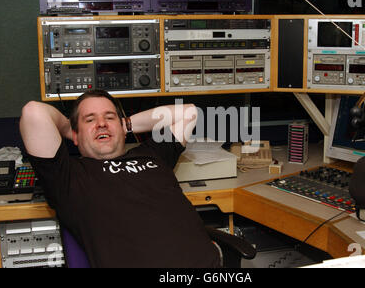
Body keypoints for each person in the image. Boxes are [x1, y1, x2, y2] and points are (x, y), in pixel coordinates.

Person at [19, 89, 220, 267]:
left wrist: (126, 124)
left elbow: (189, 112)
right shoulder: (68, 176)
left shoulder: (153, 153)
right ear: (75, 135)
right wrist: (71, 131)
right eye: (90, 120)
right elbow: (33, 112)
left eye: (110, 117)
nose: (101, 124)